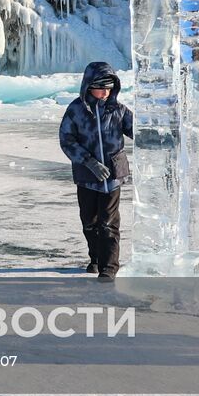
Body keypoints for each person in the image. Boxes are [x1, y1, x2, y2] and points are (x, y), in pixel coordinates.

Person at [58, 62, 134, 280]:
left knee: (108, 222)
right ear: (89, 86)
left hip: (112, 177)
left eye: (109, 88)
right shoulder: (76, 110)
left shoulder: (118, 111)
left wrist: (162, 139)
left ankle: (109, 267)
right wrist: (88, 161)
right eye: (101, 87)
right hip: (86, 176)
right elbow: (66, 139)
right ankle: (96, 258)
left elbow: (139, 132)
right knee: (89, 222)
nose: (106, 92)